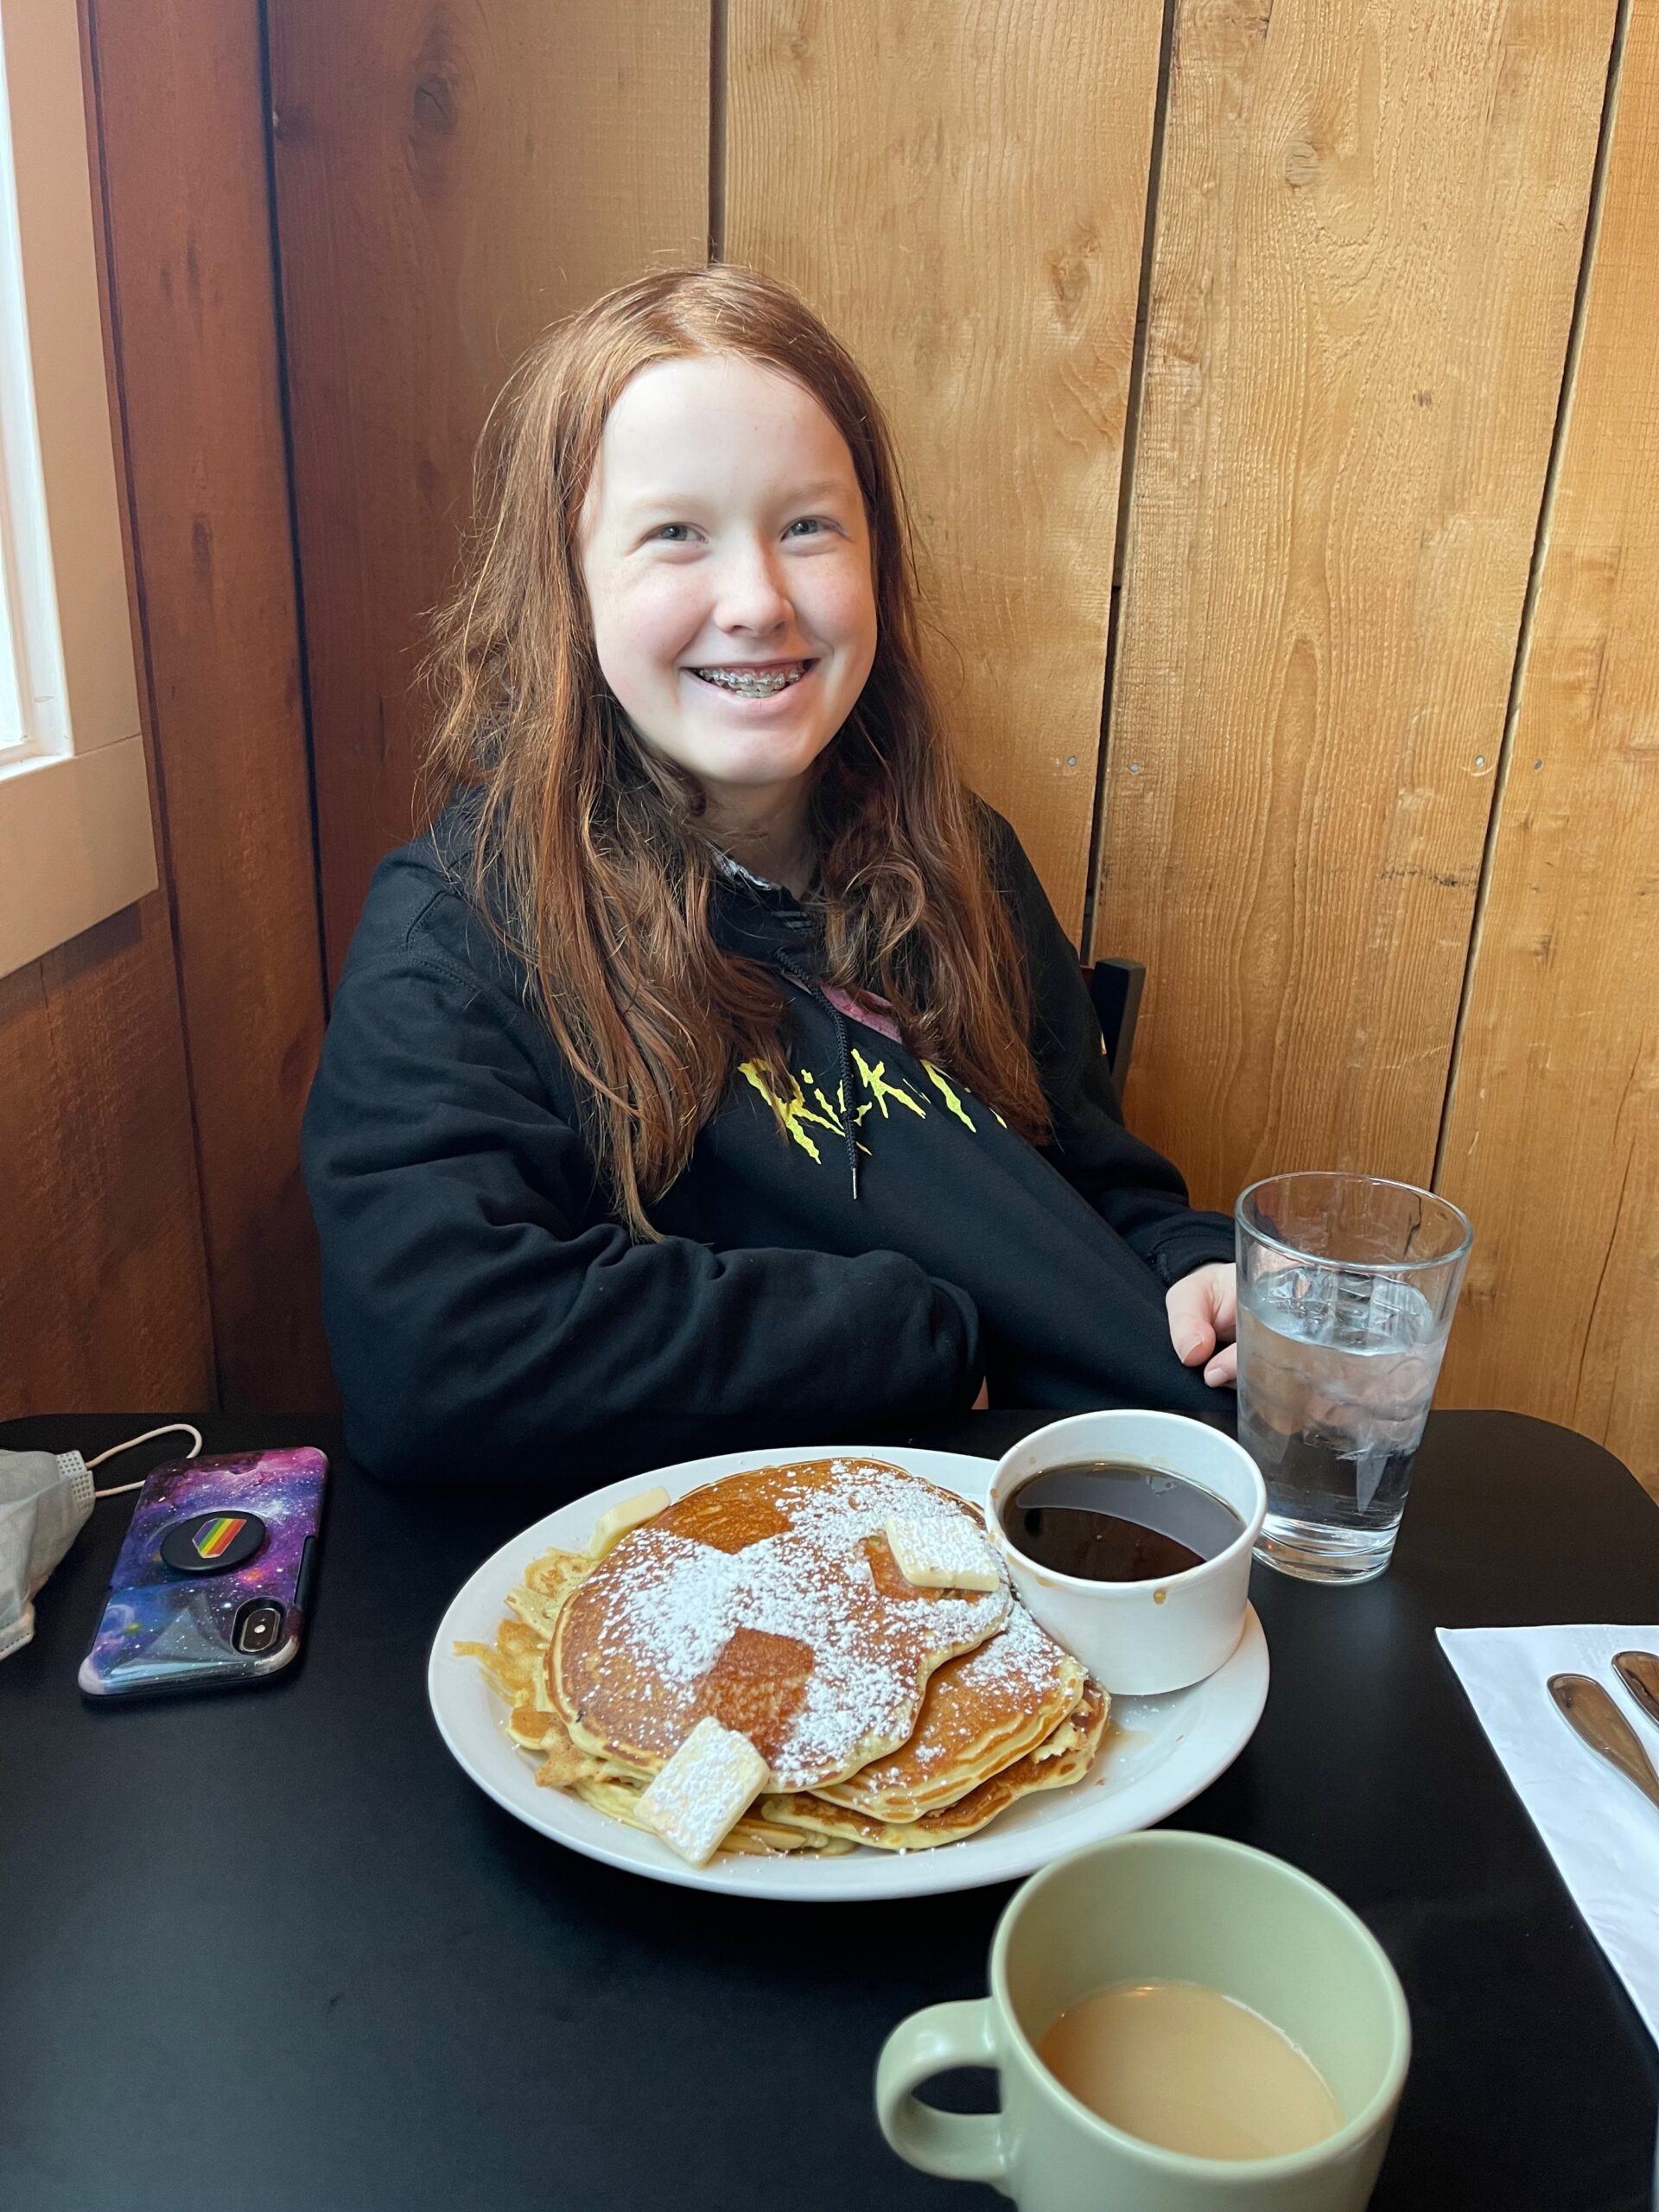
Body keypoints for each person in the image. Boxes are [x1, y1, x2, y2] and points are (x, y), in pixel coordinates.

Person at [301, 265, 1238, 1486]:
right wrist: (921, 1328)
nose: (757, 600)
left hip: (1091, 1527)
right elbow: (433, 1360)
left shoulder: (966, 861)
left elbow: (1094, 1191)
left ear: (877, 564)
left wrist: (1194, 1267)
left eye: (807, 526)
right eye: (675, 535)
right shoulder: (461, 933)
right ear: (567, 592)